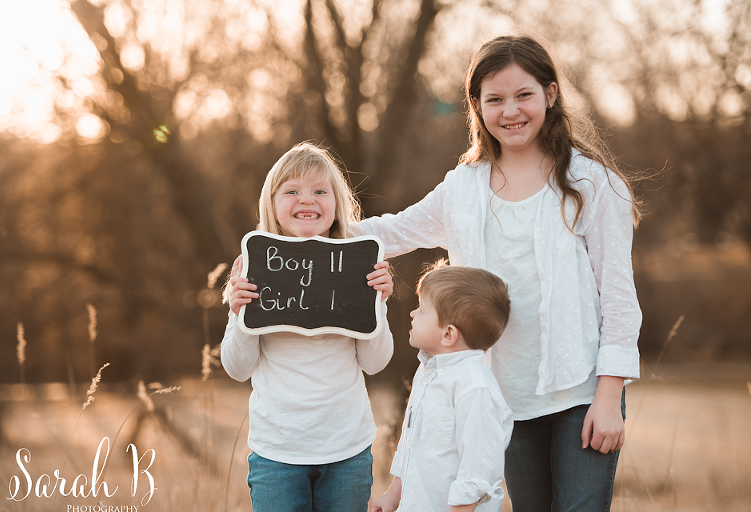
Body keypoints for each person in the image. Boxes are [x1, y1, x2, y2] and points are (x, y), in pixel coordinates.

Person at [359, 33, 642, 512]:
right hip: (502, 397)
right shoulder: (462, 189)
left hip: (581, 394)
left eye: (524, 95)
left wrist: (609, 396)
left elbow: (617, 298)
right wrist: (285, 239)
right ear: (477, 106)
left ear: (550, 95)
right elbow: (388, 232)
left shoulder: (591, 184)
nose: (511, 111)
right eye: (495, 99)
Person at [221, 142, 395, 512]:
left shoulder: (357, 266)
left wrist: (376, 305)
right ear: (272, 203)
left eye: (319, 191)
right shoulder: (254, 266)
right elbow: (237, 368)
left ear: (336, 203)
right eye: (292, 191)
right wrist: (239, 315)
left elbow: (375, 362)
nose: (306, 200)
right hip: (276, 452)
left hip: (347, 448)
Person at [369, 262, 513, 512]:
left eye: (421, 309)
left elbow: (477, 472)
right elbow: (413, 446)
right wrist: (394, 495)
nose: (412, 314)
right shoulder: (428, 371)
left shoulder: (474, 388)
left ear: (448, 334)